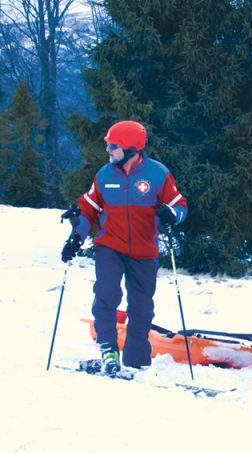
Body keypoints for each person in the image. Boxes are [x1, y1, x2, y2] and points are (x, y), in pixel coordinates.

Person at [60, 120, 188, 374]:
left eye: (113, 146)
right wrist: (76, 236)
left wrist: (172, 214)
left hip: (144, 250)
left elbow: (180, 205)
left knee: (142, 307)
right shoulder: (104, 175)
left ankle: (136, 360)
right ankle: (108, 349)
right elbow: (87, 209)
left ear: (131, 149)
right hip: (110, 246)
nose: (108, 150)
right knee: (106, 294)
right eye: (108, 145)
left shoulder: (158, 174)